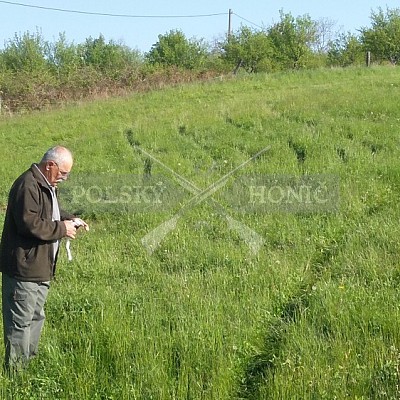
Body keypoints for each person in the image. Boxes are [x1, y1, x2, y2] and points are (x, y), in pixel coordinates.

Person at [0, 145, 89, 371]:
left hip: (40, 268)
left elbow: (52, 213)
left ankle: (28, 368)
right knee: (20, 324)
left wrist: (71, 219)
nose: (64, 179)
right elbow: (30, 224)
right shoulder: (27, 185)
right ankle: (16, 377)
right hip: (23, 270)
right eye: (63, 173)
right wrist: (62, 229)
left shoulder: (47, 185)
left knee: (36, 317)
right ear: (50, 166)